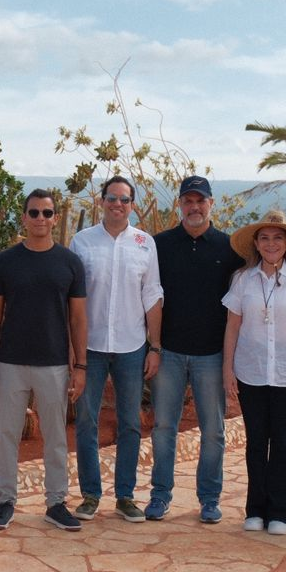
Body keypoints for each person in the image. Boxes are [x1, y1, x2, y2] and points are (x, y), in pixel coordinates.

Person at [0, 189, 88, 533]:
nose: (41, 218)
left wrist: (80, 366)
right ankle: (5, 501)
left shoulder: (70, 263)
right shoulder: (5, 262)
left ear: (55, 218)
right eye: (34, 212)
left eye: (47, 213)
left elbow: (78, 319)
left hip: (54, 364)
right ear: (24, 217)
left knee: (55, 437)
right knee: (7, 434)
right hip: (11, 362)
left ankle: (56, 503)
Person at [147, 175, 244, 523]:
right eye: (188, 201)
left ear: (211, 204)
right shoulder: (159, 245)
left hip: (212, 355)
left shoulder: (230, 248)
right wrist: (153, 346)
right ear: (179, 205)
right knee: (163, 428)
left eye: (200, 200)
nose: (194, 207)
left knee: (213, 431)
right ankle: (160, 495)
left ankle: (210, 499)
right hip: (169, 352)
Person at [222, 211, 286, 537]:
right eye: (264, 238)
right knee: (255, 442)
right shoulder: (242, 279)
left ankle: (280, 512)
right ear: (256, 243)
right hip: (251, 371)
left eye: (278, 238)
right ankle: (255, 509)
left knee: (281, 442)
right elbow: (233, 326)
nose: (271, 244)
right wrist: (227, 369)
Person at [71, 176, 163, 523]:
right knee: (86, 421)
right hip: (91, 347)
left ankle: (125, 495)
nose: (118, 204)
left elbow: (152, 294)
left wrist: (155, 346)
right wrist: (73, 351)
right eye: (112, 198)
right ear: (102, 201)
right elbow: (73, 299)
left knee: (130, 423)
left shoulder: (145, 244)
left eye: (124, 200)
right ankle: (90, 495)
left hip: (131, 345)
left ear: (132, 205)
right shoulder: (82, 242)